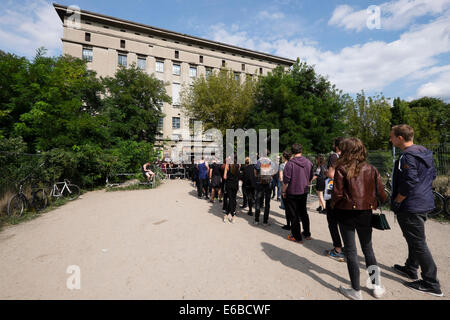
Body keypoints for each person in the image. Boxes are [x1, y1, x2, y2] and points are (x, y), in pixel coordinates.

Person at [389, 124, 443, 297]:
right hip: (423, 201)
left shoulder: (407, 157)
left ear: (400, 138)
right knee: (414, 238)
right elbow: (432, 175)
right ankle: (411, 268)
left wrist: (397, 201)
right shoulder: (424, 153)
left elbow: (409, 181)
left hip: (411, 205)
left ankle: (431, 282)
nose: (390, 139)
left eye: (392, 136)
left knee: (418, 242)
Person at [330, 137, 386, 300]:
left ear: (346, 150)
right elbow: (382, 194)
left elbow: (337, 194)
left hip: (345, 212)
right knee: (368, 249)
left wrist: (333, 205)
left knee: (351, 251)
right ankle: (376, 286)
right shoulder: (372, 169)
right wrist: (373, 203)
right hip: (365, 213)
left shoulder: (341, 168)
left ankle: (356, 290)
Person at [281, 143, 314, 242]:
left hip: (292, 192)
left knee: (294, 214)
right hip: (303, 191)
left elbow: (286, 181)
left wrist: (283, 191)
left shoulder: (290, 164)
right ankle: (307, 233)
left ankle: (296, 236)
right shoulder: (309, 162)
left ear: (292, 152)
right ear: (301, 151)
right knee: (303, 212)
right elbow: (310, 177)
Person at [324, 137, 345, 262]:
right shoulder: (349, 157)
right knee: (343, 223)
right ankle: (346, 248)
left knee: (332, 222)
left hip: (334, 193)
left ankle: (337, 249)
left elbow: (332, 175)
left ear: (337, 146)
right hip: (345, 194)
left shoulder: (334, 156)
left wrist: (325, 172)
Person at [254, 150, 275, 226]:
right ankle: (265, 221)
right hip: (268, 184)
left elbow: (255, 173)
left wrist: (259, 178)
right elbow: (273, 173)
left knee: (258, 202)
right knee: (267, 203)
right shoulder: (271, 162)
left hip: (259, 183)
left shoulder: (258, 161)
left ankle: (256, 220)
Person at [224, 157, 240, 223]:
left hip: (229, 184)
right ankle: (232, 216)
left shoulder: (227, 165)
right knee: (233, 199)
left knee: (231, 199)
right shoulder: (238, 165)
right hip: (235, 184)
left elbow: (224, 177)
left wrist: (228, 176)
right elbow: (239, 175)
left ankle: (228, 215)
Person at [279, 150, 292, 229]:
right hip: (293, 187)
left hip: (285, 187)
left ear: (284, 157)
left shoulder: (282, 165)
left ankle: (288, 224)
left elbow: (281, 178)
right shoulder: (292, 164)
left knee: (287, 208)